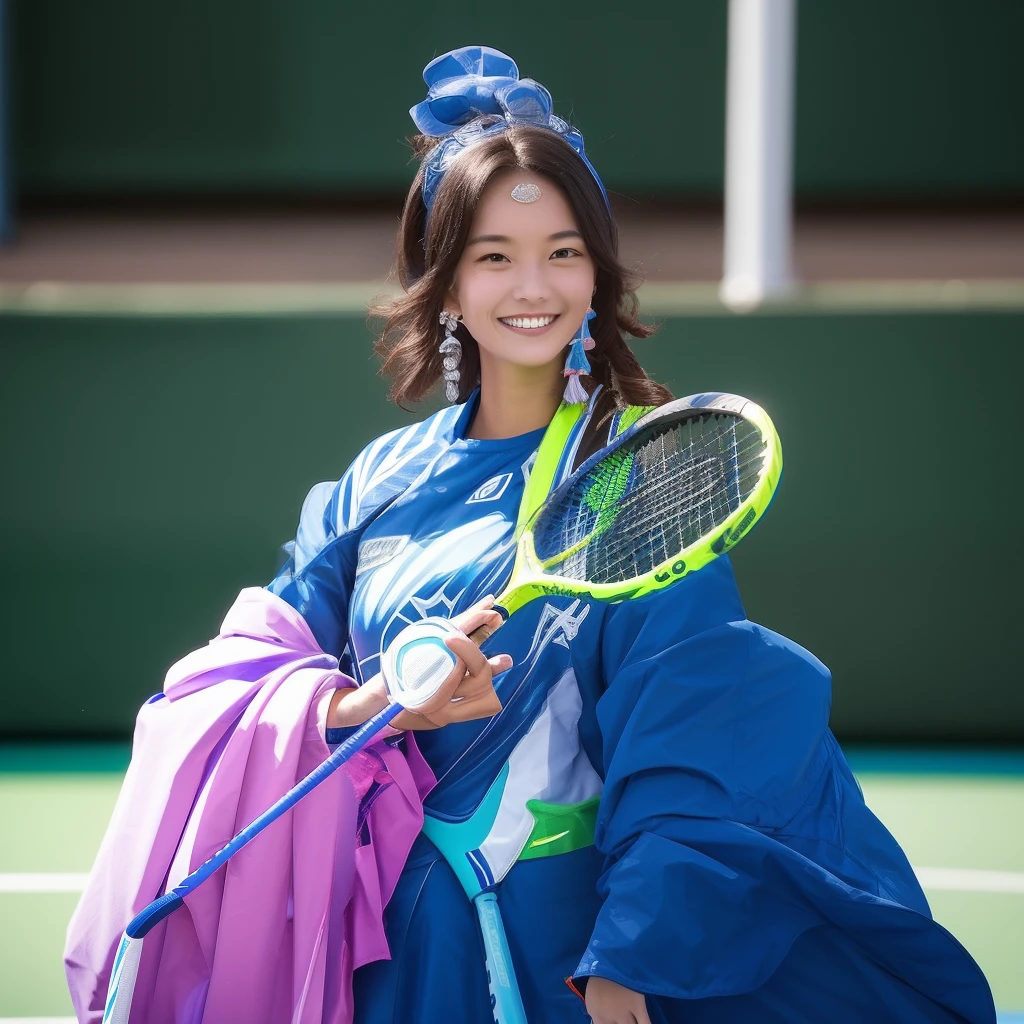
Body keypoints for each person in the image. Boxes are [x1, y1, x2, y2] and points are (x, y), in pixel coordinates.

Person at [67, 44, 996, 1024]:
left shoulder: (641, 478)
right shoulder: (368, 487)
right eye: (494, 256)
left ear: (595, 271)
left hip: (563, 956)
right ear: (448, 282)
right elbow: (238, 684)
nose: (533, 285)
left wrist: (628, 959)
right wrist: (366, 705)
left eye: (563, 251)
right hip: (380, 949)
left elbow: (690, 738)